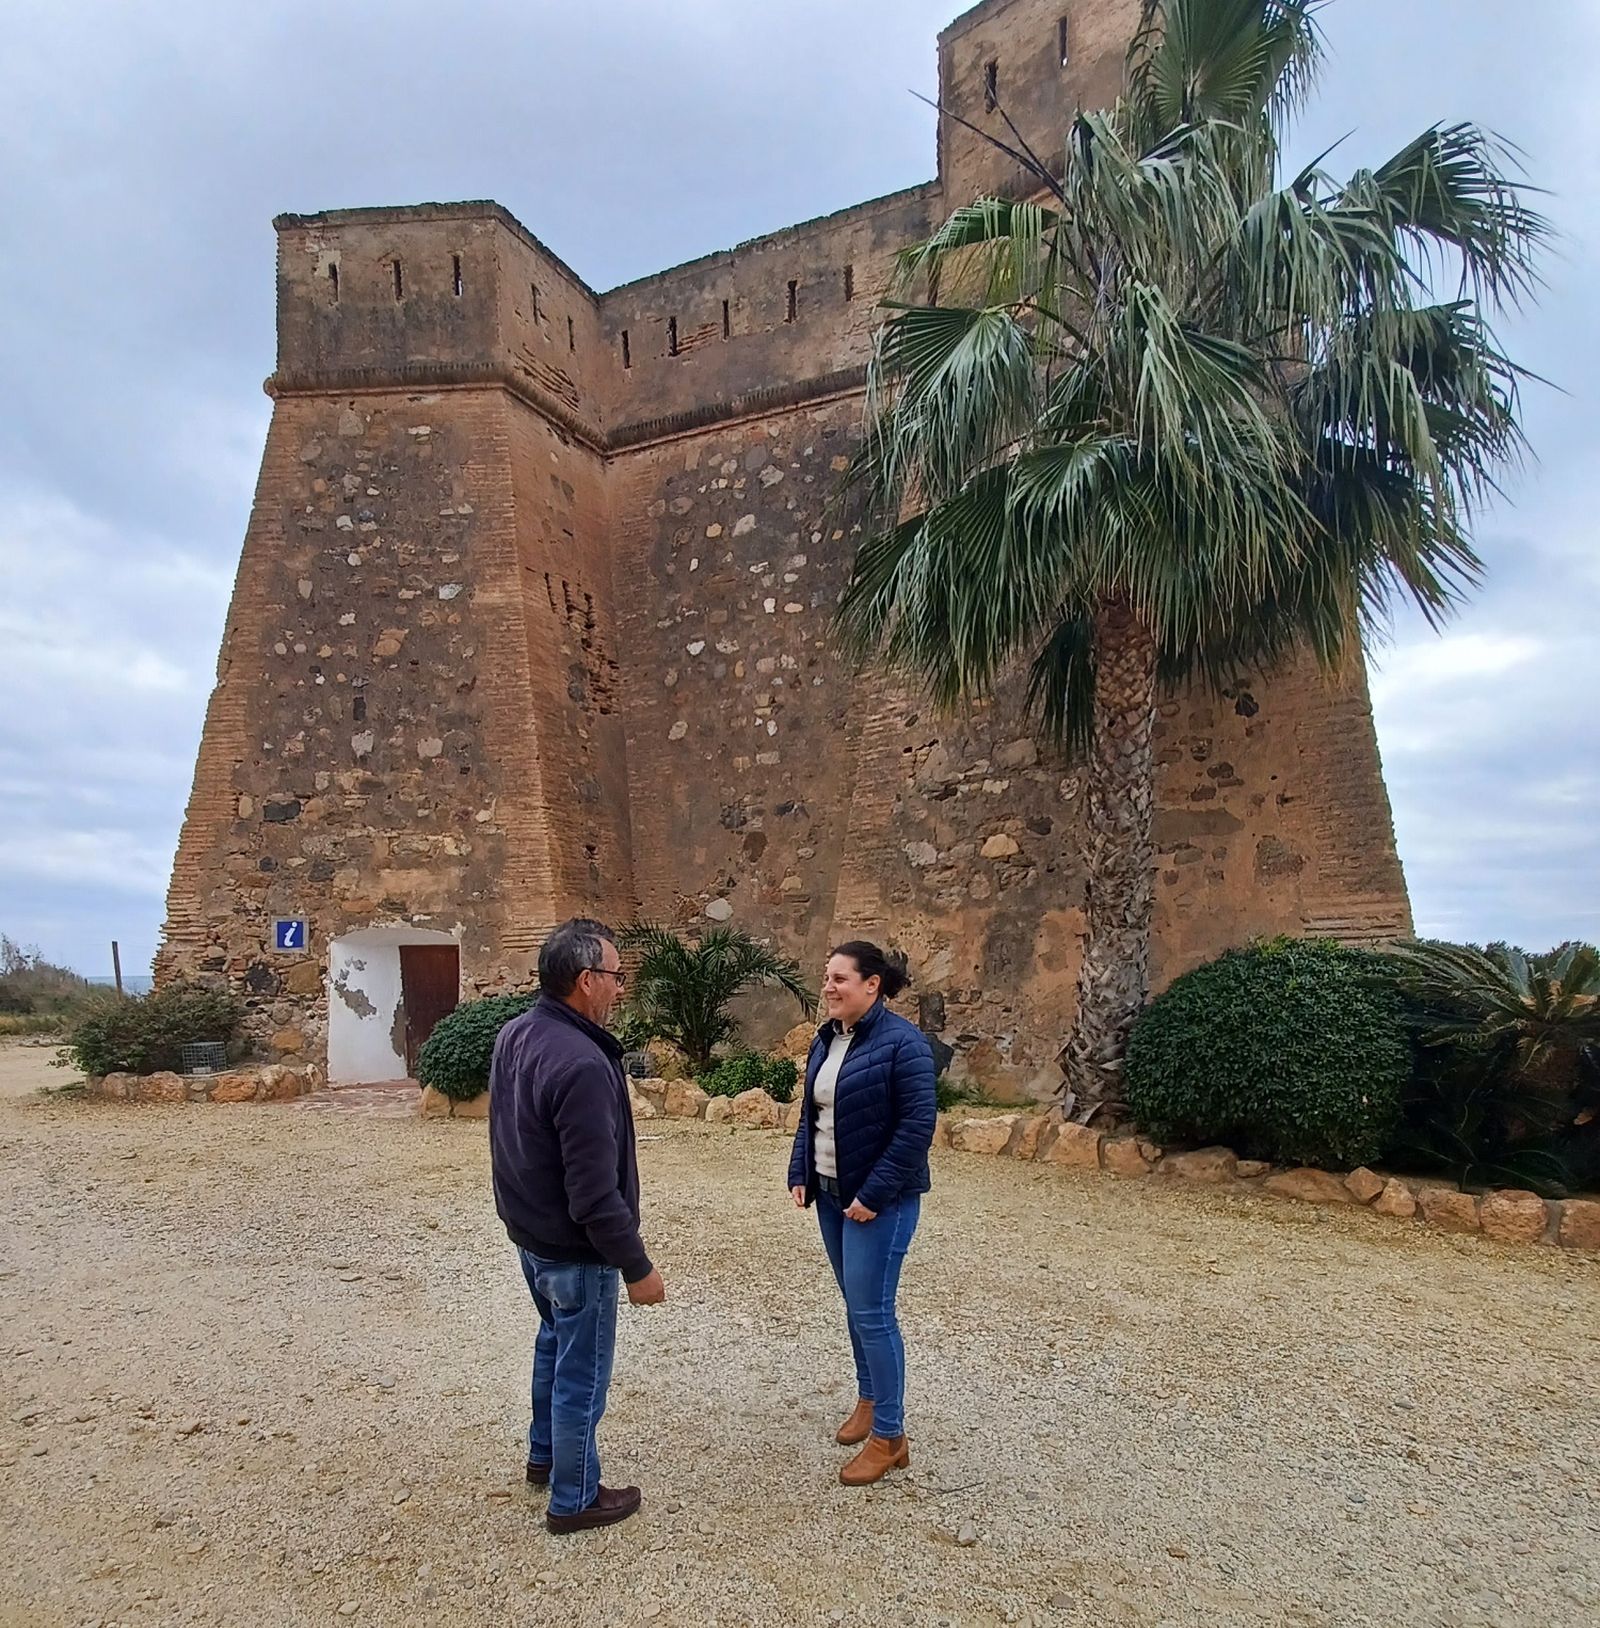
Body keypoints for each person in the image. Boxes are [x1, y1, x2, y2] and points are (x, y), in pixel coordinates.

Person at [488, 918, 666, 1534]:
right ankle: (576, 1497)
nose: (621, 989)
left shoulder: (516, 1033)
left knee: (553, 1347)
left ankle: (546, 1457)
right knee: (582, 1373)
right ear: (587, 981)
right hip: (576, 1251)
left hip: (533, 1242)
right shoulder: (584, 1063)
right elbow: (593, 1192)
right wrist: (637, 1266)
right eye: (616, 977)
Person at [787, 940, 936, 1485]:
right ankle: (871, 1400)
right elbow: (813, 1113)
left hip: (880, 1203)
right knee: (856, 1306)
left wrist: (872, 1195)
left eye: (839, 978)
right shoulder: (827, 1039)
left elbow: (917, 1128)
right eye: (826, 977)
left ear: (872, 985)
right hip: (830, 1194)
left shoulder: (905, 1045)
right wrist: (800, 1169)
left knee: (873, 1313)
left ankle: (891, 1436)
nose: (828, 986)